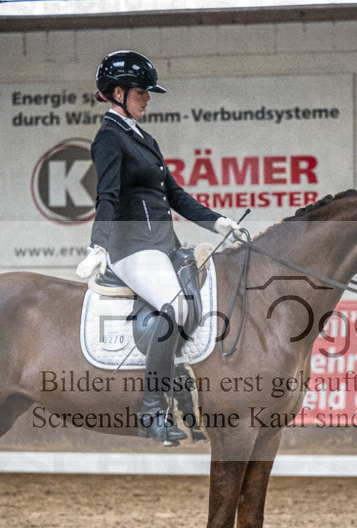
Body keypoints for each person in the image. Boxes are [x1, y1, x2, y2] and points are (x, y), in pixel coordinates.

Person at [76, 50, 243, 445]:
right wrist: (99, 245)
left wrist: (217, 221)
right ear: (118, 93)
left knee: (196, 299)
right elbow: (107, 196)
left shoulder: (144, 139)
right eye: (141, 92)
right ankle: (152, 412)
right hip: (132, 248)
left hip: (163, 246)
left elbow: (175, 195)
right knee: (174, 308)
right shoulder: (108, 138)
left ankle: (179, 377)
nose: (148, 98)